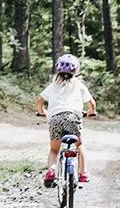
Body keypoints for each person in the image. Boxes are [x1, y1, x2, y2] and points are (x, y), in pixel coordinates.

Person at [37, 54, 96, 187]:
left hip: (55, 119)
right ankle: (83, 173)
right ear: (75, 71)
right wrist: (91, 112)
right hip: (73, 118)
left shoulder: (53, 86)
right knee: (79, 144)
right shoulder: (79, 85)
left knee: (54, 150)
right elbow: (91, 102)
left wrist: (42, 112)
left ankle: (51, 171)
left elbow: (40, 100)